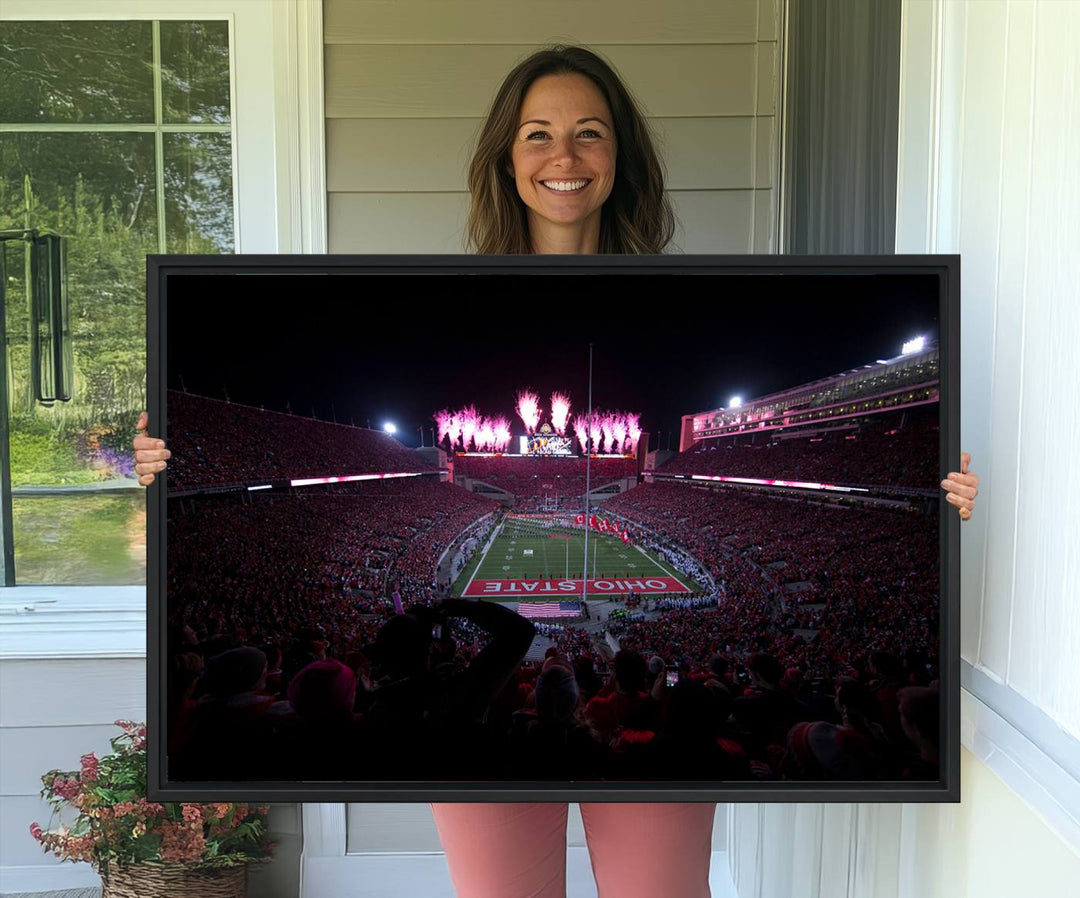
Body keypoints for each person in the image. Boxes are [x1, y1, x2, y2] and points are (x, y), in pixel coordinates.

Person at [135, 44, 980, 898]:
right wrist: (163, 468)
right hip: (496, 736)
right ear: (506, 156)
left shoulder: (679, 289)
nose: (564, 157)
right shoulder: (442, 284)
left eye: (590, 133)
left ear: (623, 156)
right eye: (537, 133)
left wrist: (940, 500)